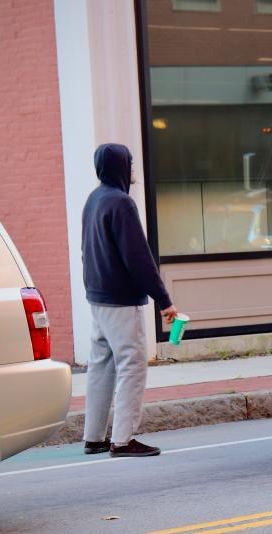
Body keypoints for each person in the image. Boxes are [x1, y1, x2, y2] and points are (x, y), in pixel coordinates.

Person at [81, 143, 178, 457]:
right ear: (120, 167)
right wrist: (164, 300)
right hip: (121, 301)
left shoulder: (93, 199)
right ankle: (123, 440)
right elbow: (139, 259)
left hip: (97, 298)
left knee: (100, 368)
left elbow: (85, 250)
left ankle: (93, 438)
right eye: (130, 164)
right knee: (132, 365)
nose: (133, 170)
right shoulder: (121, 203)